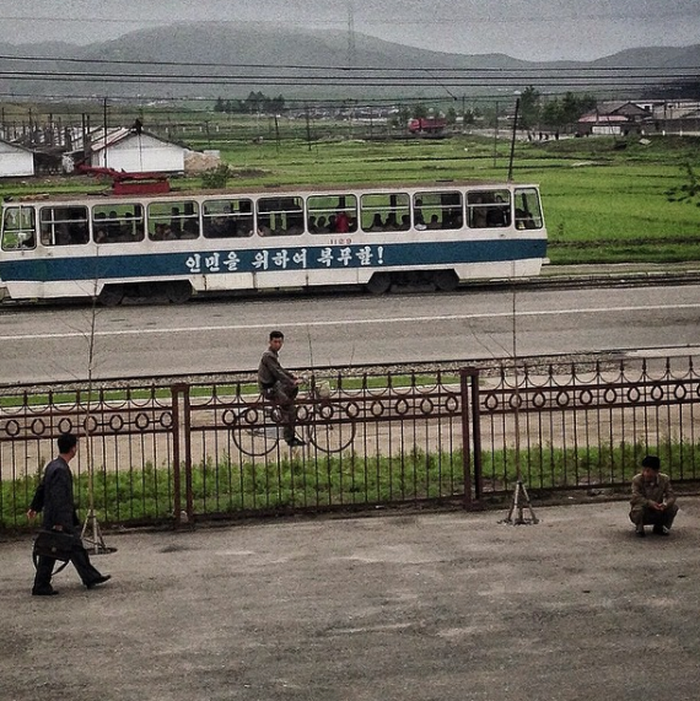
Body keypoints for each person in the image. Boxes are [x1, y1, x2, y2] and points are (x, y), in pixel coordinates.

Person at [28, 433, 111, 595]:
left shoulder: (53, 465)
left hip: (57, 517)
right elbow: (58, 497)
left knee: (71, 547)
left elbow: (42, 488)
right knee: (51, 550)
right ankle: (41, 585)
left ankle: (90, 576)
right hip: (59, 518)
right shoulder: (61, 470)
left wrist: (34, 507)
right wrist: (59, 523)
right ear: (73, 448)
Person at [258, 331, 305, 447]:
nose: (278, 344)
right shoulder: (268, 355)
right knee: (291, 409)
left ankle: (285, 412)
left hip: (275, 385)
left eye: (280, 342)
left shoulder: (272, 354)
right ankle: (290, 438)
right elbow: (277, 372)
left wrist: (292, 376)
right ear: (270, 342)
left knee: (293, 389)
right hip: (269, 388)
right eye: (275, 342)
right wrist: (290, 381)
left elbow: (280, 369)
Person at [629, 455, 678, 537]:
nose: (645, 473)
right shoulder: (637, 480)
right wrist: (649, 503)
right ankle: (639, 527)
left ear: (656, 471)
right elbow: (635, 497)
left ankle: (661, 527)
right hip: (644, 509)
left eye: (648, 471)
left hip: (658, 509)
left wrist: (665, 504)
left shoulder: (664, 479)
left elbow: (671, 496)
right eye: (643, 470)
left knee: (673, 507)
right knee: (638, 509)